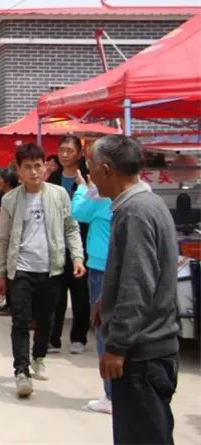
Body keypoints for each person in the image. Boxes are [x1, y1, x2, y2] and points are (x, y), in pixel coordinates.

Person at [87, 135, 179, 444]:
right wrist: (105, 300)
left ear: (106, 170)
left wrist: (117, 346)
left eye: (90, 166)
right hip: (149, 350)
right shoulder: (145, 204)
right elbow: (137, 271)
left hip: (142, 354)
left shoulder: (135, 212)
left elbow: (137, 286)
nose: (89, 175)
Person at [0, 143, 85, 398]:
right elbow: (3, 238)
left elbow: (71, 228)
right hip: (21, 269)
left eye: (38, 166)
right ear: (19, 170)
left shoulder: (59, 195)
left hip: (51, 269)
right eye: (28, 167)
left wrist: (77, 257)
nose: (34, 172)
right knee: (21, 321)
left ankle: (39, 357)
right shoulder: (10, 199)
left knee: (46, 319)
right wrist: (2, 273)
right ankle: (21, 371)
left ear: (45, 167)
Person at [70, 162, 113, 415]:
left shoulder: (100, 195)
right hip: (116, 266)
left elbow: (78, 211)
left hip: (100, 266)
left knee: (103, 329)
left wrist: (81, 188)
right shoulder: (141, 192)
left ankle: (110, 394)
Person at [48, 135, 90, 354]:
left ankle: (79, 337)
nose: (64, 154)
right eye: (61, 150)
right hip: (56, 244)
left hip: (82, 243)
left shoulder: (88, 178)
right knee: (56, 295)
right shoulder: (53, 178)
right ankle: (53, 338)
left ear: (79, 154)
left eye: (69, 151)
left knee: (80, 295)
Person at [0, 168, 19, 317]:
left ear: (7, 181)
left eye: (0, 178)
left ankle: (12, 304)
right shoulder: (5, 197)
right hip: (5, 238)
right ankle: (9, 303)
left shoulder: (15, 197)